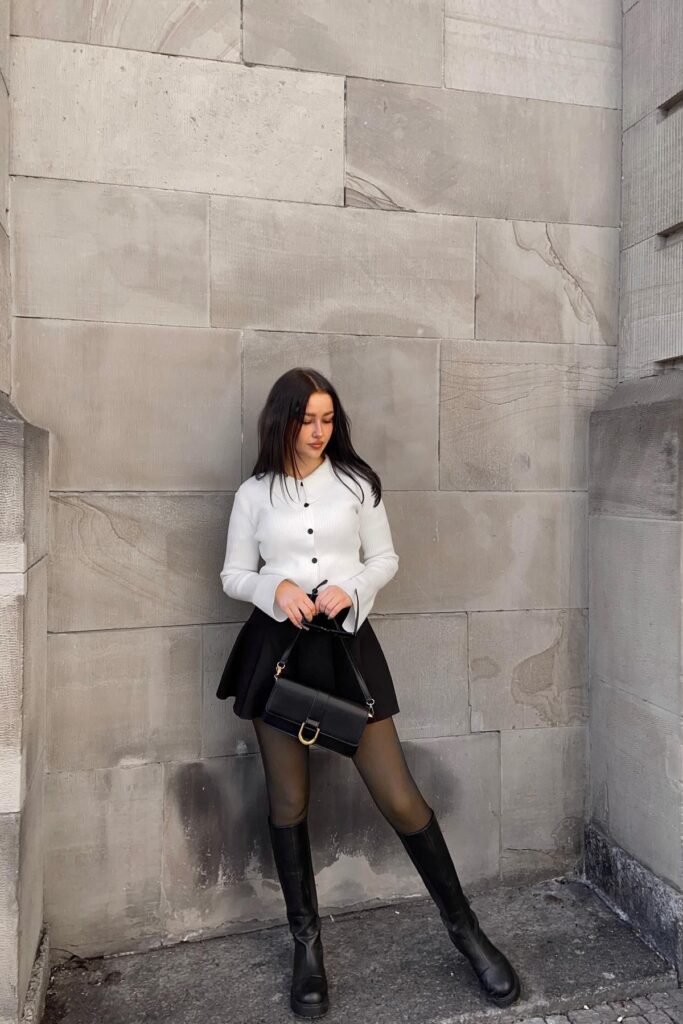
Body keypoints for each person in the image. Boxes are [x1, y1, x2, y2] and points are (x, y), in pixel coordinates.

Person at [216, 367, 521, 1018]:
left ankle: (466, 933)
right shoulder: (253, 495)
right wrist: (277, 590)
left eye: (328, 419)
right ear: (283, 422)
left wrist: (349, 590)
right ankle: (307, 951)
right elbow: (232, 573)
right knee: (289, 800)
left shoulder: (357, 485)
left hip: (347, 652)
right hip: (277, 653)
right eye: (307, 420)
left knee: (400, 797)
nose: (319, 432)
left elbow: (385, 560)